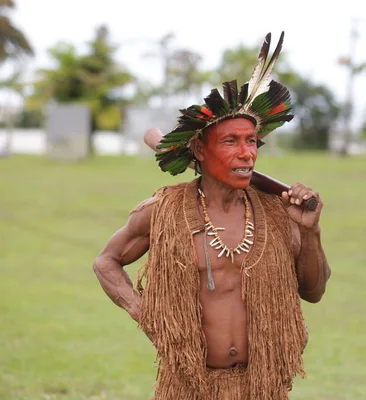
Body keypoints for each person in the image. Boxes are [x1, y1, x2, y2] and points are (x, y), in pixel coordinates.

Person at [92, 31, 331, 399]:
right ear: (199, 151)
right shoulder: (164, 212)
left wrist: (311, 233)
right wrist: (146, 313)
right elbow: (106, 261)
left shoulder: (279, 214)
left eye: (251, 141)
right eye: (231, 141)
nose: (247, 153)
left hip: (263, 387)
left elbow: (313, 292)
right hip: (189, 386)